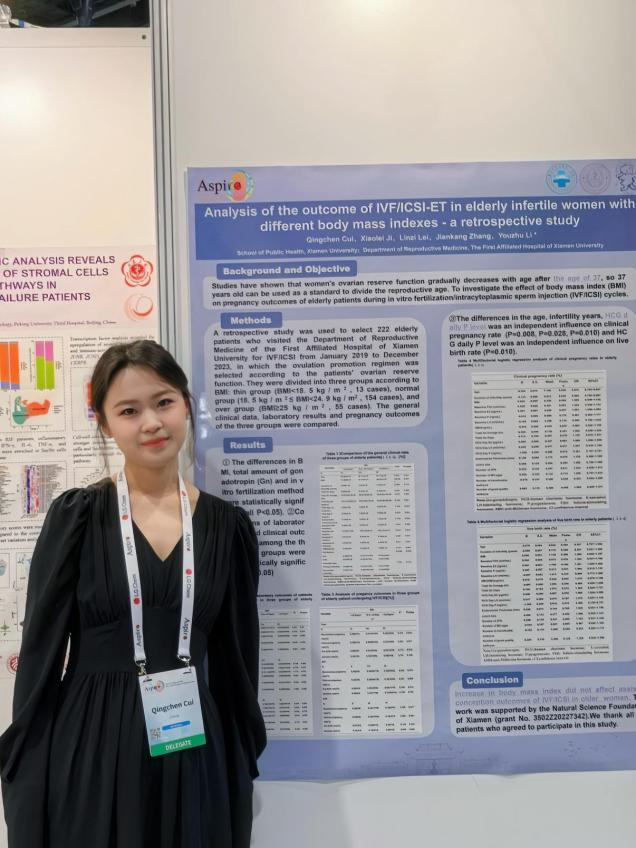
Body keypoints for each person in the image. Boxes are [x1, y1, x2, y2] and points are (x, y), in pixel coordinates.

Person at [0, 340, 266, 848]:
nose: (151, 423)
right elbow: (39, 660)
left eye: (164, 402)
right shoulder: (77, 519)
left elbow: (237, 668)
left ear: (186, 405)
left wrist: (235, 769)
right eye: (128, 411)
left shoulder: (227, 528)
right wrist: (28, 776)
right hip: (90, 745)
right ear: (104, 424)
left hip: (191, 747)